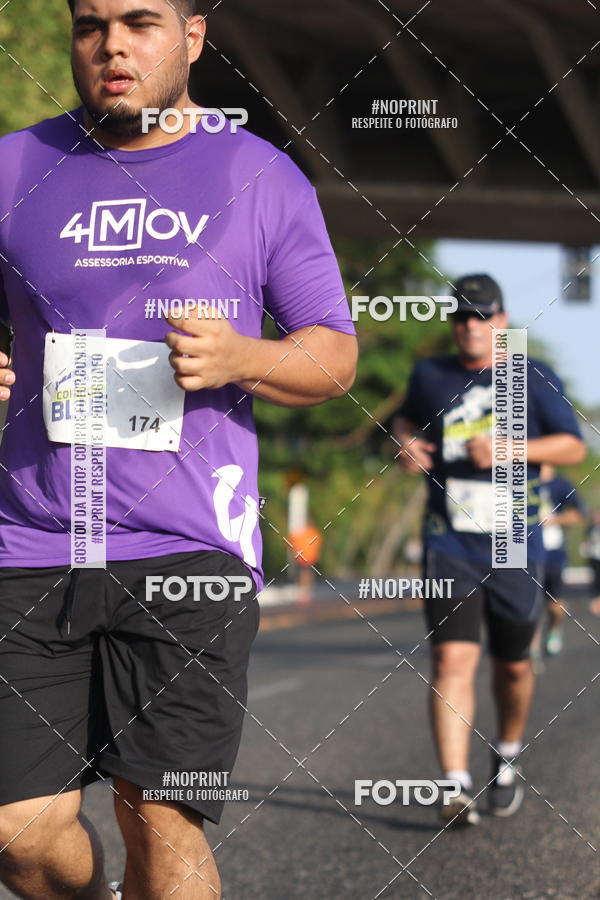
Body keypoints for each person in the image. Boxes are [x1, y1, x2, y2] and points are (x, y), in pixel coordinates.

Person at [0, 1, 358, 898]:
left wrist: (243, 357)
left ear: (193, 38)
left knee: (163, 819)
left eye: (139, 21)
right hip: (30, 540)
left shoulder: (259, 174)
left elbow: (335, 353)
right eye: (90, 25)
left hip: (186, 549)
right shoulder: (14, 166)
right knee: (18, 836)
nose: (111, 44)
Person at [394, 274, 585, 826]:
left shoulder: (531, 376)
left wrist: (510, 446)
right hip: (448, 538)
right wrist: (405, 441)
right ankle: (454, 786)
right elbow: (406, 418)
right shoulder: (430, 374)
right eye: (461, 317)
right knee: (452, 658)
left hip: (513, 542)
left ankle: (507, 751)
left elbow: (573, 444)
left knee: (514, 665)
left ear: (502, 322)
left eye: (481, 316)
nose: (471, 327)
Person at [532, 464, 585, 661]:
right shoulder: (522, 479)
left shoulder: (561, 484)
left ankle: (555, 629)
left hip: (554, 553)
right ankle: (531, 650)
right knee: (530, 603)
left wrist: (554, 520)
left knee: (554, 605)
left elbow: (580, 513)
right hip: (527, 553)